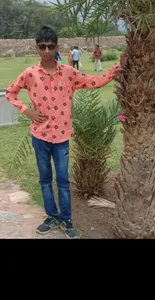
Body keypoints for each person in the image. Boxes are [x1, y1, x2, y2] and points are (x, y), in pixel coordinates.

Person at [5, 26, 122, 239]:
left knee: (63, 179)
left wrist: (115, 69)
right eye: (43, 46)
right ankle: (51, 217)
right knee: (45, 178)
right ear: (37, 48)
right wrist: (26, 110)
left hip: (62, 138)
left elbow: (93, 82)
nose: (47, 50)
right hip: (39, 136)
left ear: (57, 47)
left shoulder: (69, 73)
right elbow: (11, 93)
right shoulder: (30, 73)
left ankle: (66, 220)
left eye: (51, 46)